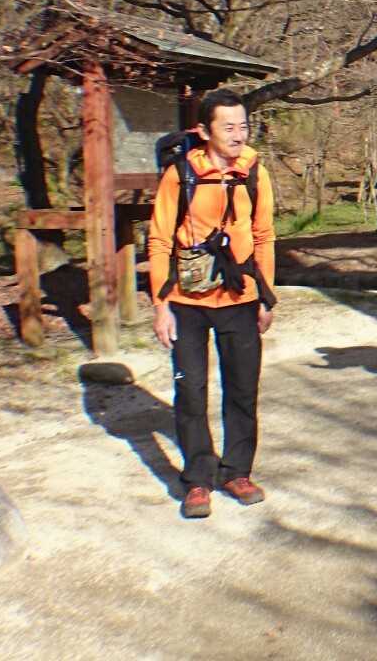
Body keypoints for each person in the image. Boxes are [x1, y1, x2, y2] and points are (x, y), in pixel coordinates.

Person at [148, 88, 278, 520]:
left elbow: (264, 236)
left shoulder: (254, 172)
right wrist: (160, 305)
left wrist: (266, 296)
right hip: (186, 300)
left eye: (243, 126)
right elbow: (159, 239)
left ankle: (237, 472)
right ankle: (198, 479)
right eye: (229, 127)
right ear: (204, 131)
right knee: (190, 391)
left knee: (242, 389)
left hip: (240, 296)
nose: (238, 134)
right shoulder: (180, 173)